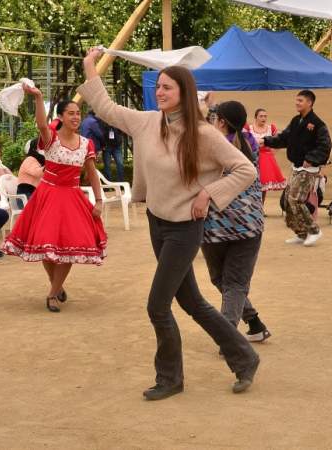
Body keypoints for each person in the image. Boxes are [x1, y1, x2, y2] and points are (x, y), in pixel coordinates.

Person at [78, 48, 259, 400]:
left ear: (184, 94)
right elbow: (107, 109)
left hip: (184, 229)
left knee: (157, 306)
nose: (160, 92)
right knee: (191, 301)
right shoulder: (147, 122)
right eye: (159, 86)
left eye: (168, 88)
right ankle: (245, 357)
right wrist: (90, 66)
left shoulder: (204, 134)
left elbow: (245, 170)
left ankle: (170, 378)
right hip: (157, 223)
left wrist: (209, 194)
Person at [2, 90, 107, 314]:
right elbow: (41, 124)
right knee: (46, 247)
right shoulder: (51, 139)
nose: (76, 117)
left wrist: (98, 200)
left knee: (67, 250)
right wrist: (39, 98)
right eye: (71, 113)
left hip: (72, 197)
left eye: (78, 113)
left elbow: (92, 173)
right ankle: (57, 286)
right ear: (61, 116)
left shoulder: (86, 143)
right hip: (47, 196)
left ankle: (52, 293)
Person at [204, 101, 271, 344]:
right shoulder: (250, 142)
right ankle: (254, 323)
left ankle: (229, 339)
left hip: (214, 227)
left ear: (221, 121)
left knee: (226, 281)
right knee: (234, 283)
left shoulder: (213, 147)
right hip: (250, 225)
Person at [261, 90, 331, 247]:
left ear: (309, 103)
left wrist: (311, 159)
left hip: (308, 169)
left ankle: (314, 231)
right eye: (296, 100)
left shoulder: (318, 124)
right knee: (287, 201)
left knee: (296, 199)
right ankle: (301, 233)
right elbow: (284, 138)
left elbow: (325, 145)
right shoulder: (295, 121)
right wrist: (266, 141)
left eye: (300, 100)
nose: (297, 103)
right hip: (296, 167)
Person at [245, 108, 286, 205]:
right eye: (261, 116)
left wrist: (272, 153)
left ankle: (260, 206)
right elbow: (244, 142)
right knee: (251, 183)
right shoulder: (249, 128)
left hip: (266, 159)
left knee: (263, 184)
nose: (263, 118)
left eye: (265, 116)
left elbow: (279, 142)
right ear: (256, 117)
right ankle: (251, 205)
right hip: (252, 158)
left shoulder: (270, 128)